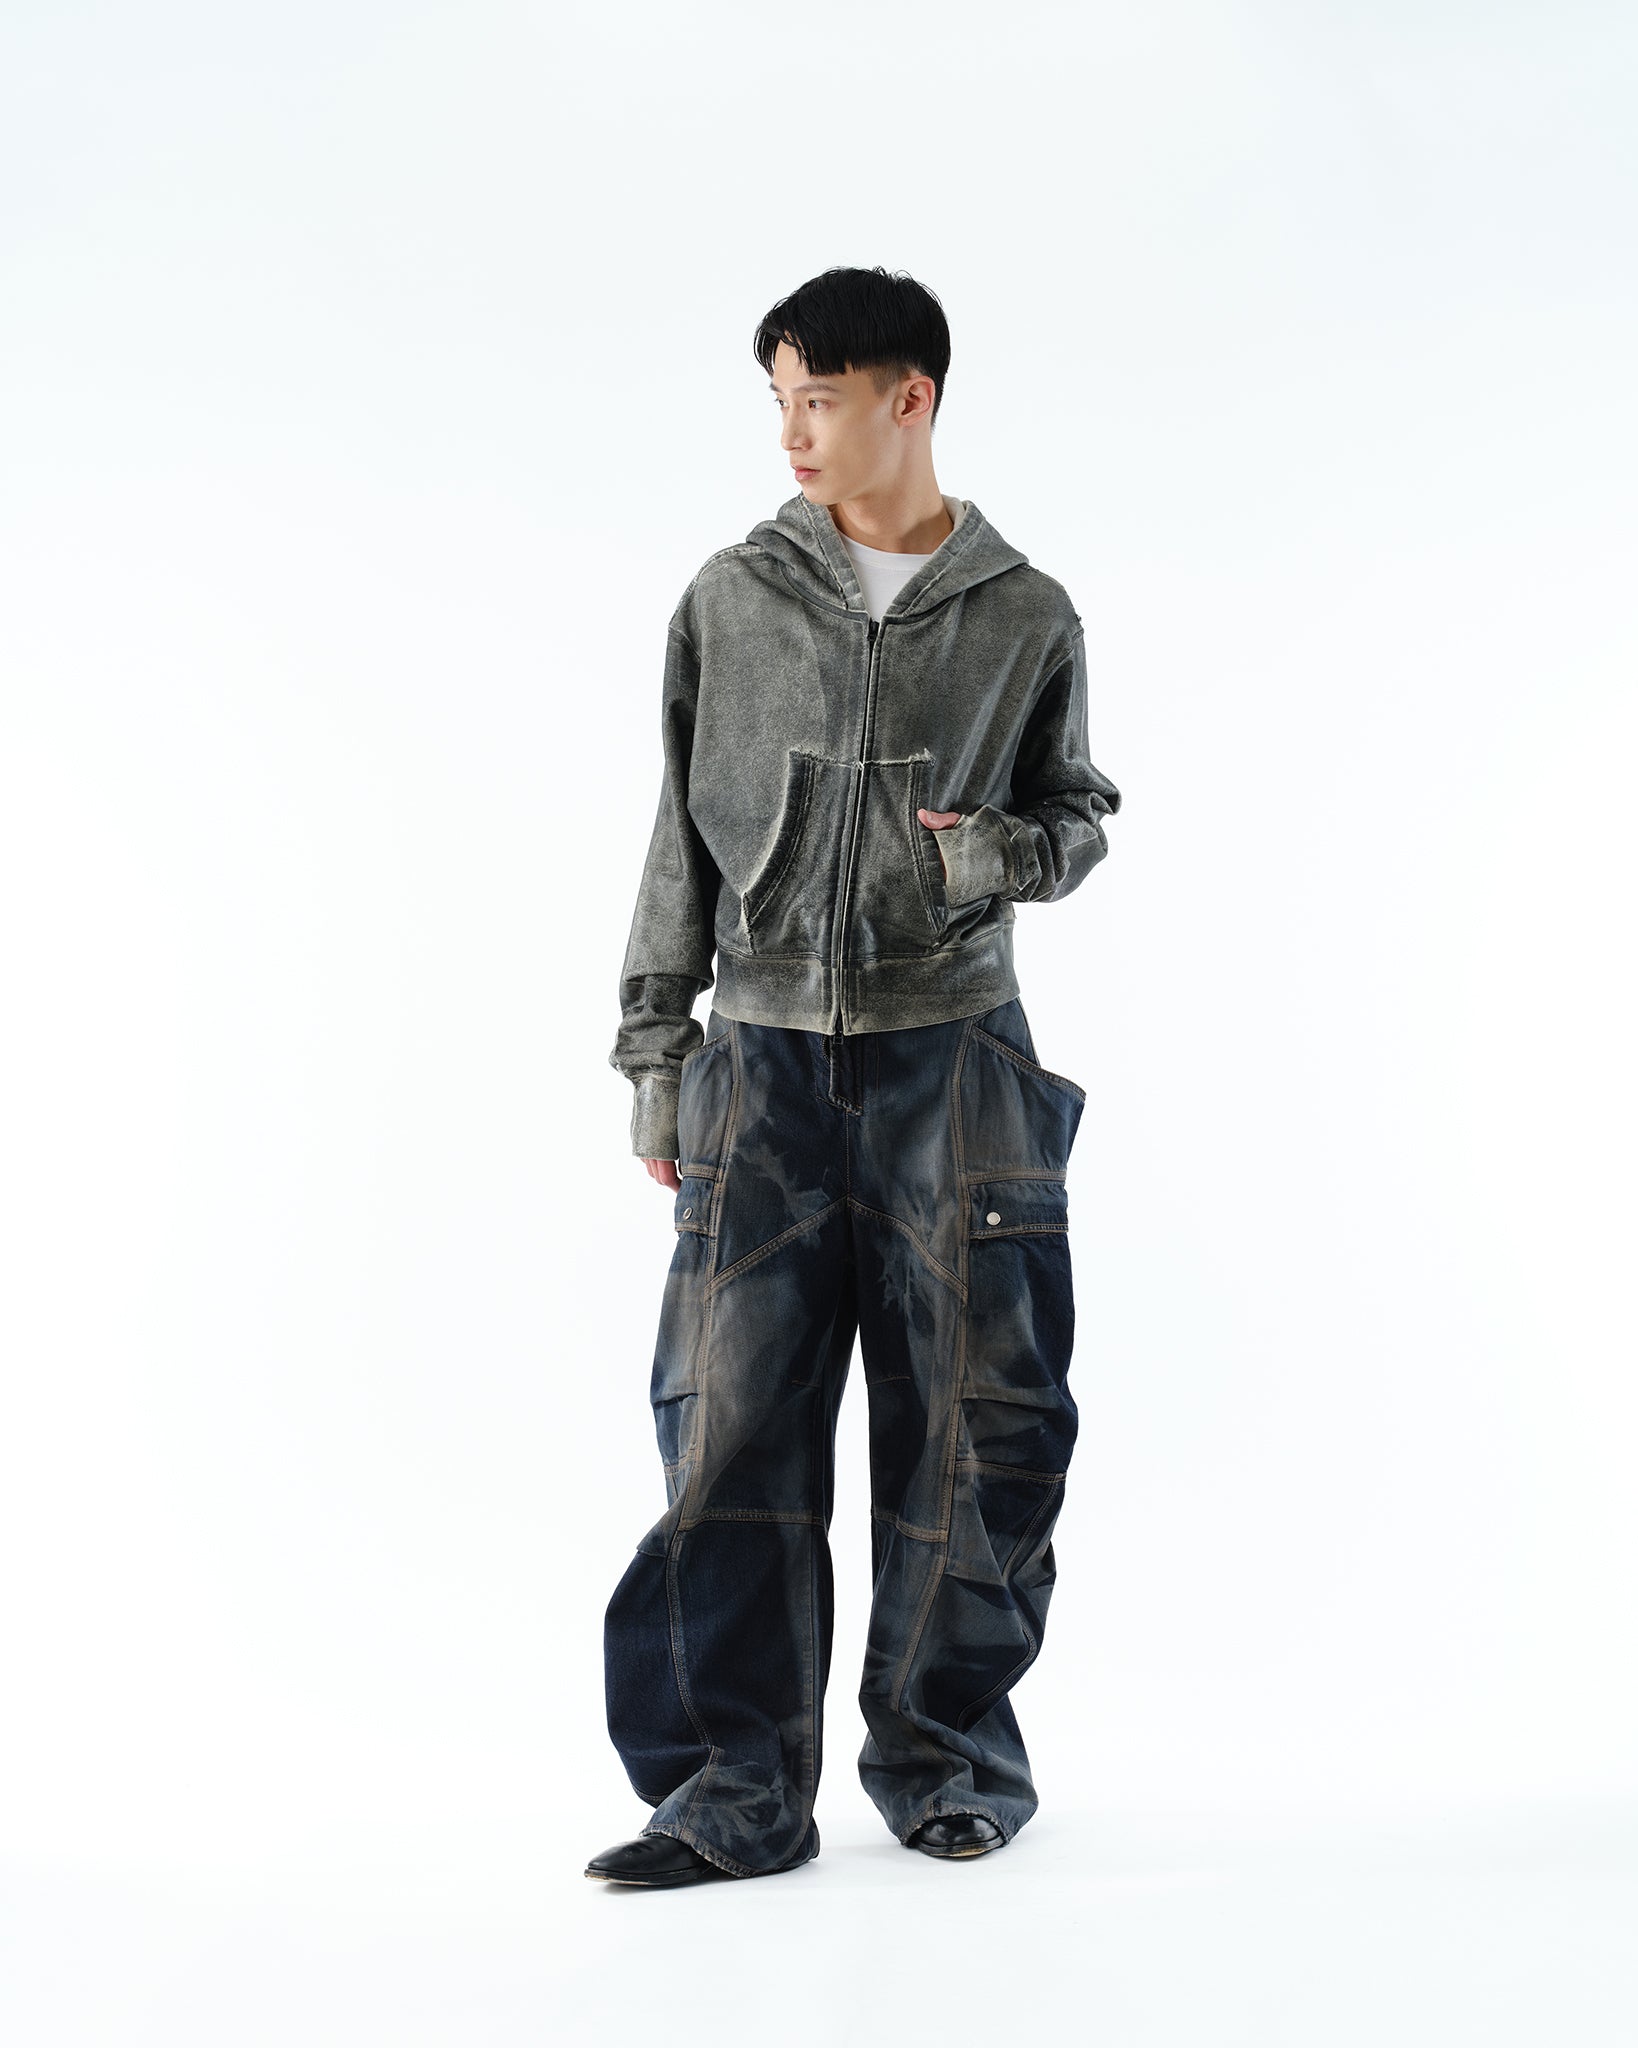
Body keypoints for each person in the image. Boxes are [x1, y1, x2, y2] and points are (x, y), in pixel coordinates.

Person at [585, 266, 1121, 1888]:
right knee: (727, 1433)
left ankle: (946, 1761)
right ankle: (730, 1792)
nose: (792, 434)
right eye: (777, 400)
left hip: (953, 1062)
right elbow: (676, 837)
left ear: (911, 398)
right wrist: (657, 1053)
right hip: (757, 1064)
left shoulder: (1024, 612)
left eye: (817, 398)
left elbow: (1077, 813)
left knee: (981, 1430)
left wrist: (993, 857)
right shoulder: (730, 598)